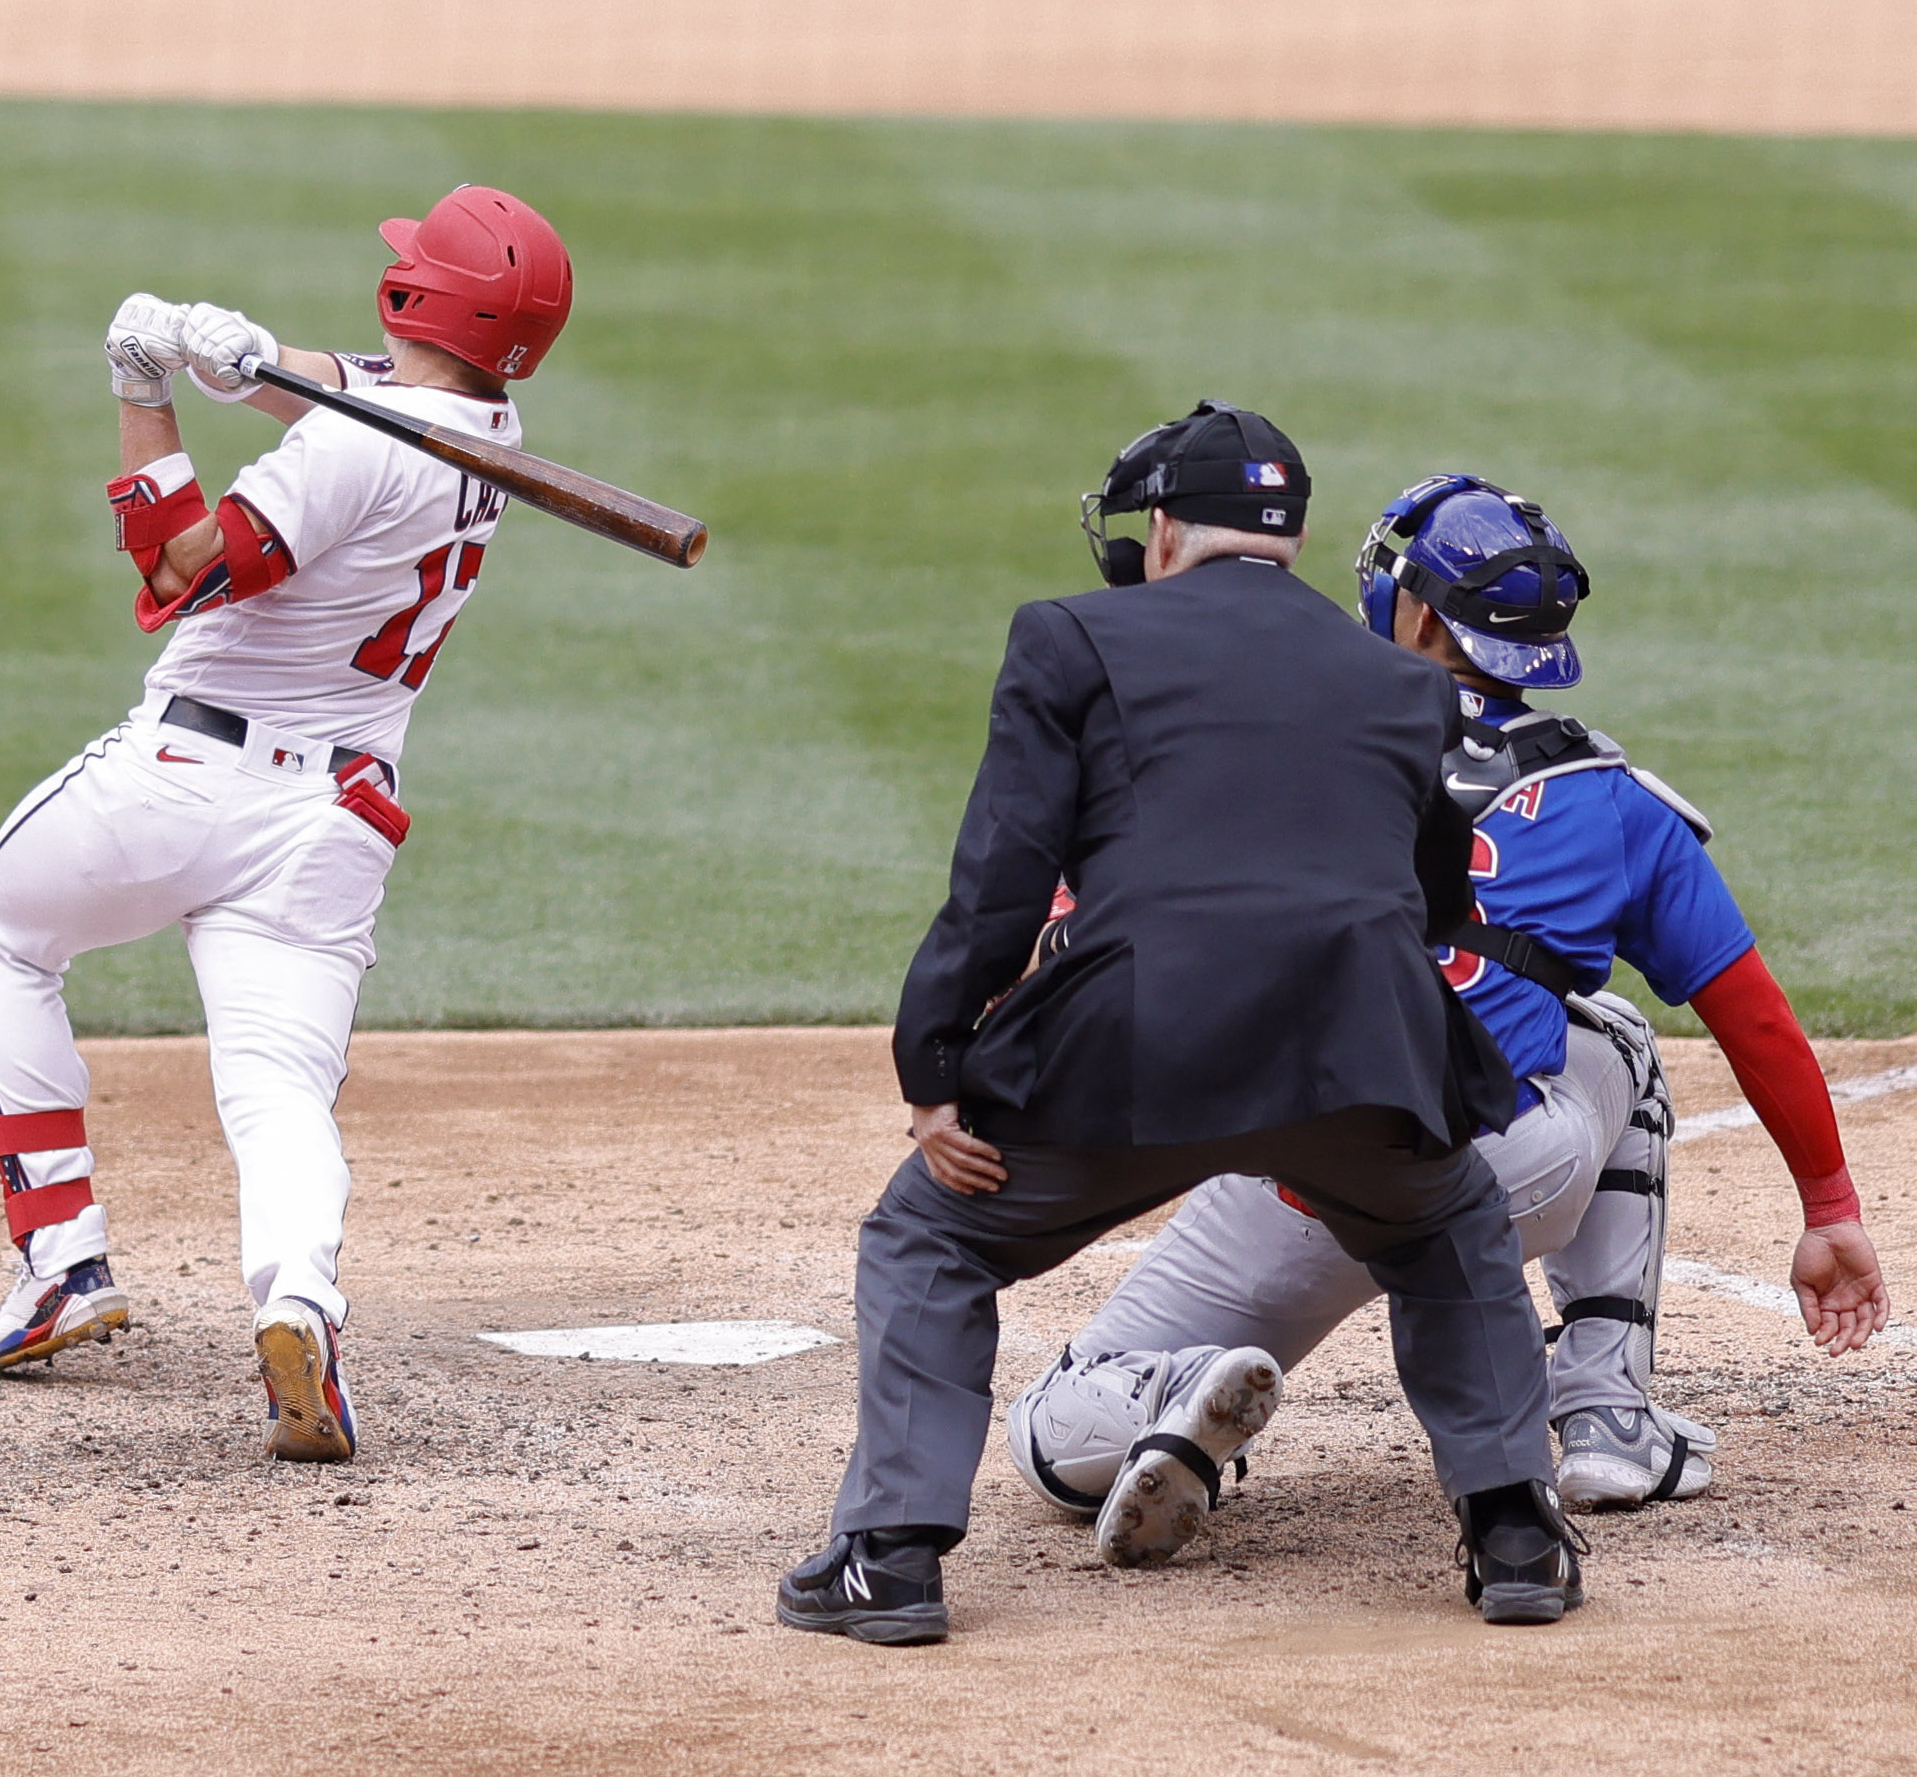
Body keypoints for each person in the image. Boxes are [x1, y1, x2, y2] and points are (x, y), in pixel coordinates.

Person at [779, 403, 1583, 1647]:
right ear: (1296, 539)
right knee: (1449, 1225)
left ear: (1161, 533)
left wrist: (934, 1066)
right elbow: (1434, 903)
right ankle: (1518, 1533)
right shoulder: (1402, 682)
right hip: (1357, 1048)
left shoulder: (1069, 637)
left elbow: (1002, 873)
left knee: (930, 1233)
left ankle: (891, 1558)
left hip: (1131, 1050)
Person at [1003, 475, 1887, 1542]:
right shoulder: (1611, 797)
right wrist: (1830, 1209)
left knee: (1049, 1440)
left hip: (1297, 1171)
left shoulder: (1276, 749)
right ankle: (1607, 1416)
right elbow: (1754, 1019)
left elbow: (1091, 910)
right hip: (1517, 1166)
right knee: (1615, 1039)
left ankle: (1181, 1392)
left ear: (1417, 617)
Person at [0, 188, 573, 1464]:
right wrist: (238, 355)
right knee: (280, 1086)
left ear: (417, 299)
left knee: (8, 932)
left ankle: (63, 1260)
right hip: (333, 820)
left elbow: (182, 563)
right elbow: (352, 389)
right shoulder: (489, 425)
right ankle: (299, 1298)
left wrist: (146, 389)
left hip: (186, 780)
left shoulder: (351, 451)